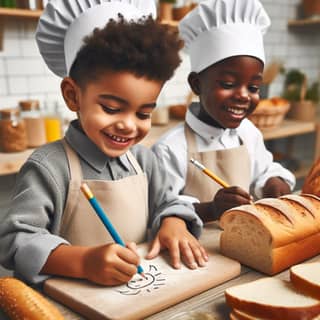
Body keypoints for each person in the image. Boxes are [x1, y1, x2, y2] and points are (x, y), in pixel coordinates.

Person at [0, 0, 208, 286]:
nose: (129, 125)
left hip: (134, 298)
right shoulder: (49, 167)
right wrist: (83, 262)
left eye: (144, 113)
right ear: (73, 96)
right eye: (111, 108)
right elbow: (14, 240)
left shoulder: (143, 160)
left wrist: (174, 221)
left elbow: (168, 202)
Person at [152, 0, 296, 223]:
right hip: (196, 251)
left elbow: (264, 169)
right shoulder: (170, 148)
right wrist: (211, 209)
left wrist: (273, 181)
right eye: (228, 84)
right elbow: (160, 208)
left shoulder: (249, 133)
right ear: (197, 84)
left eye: (253, 87)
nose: (243, 95)